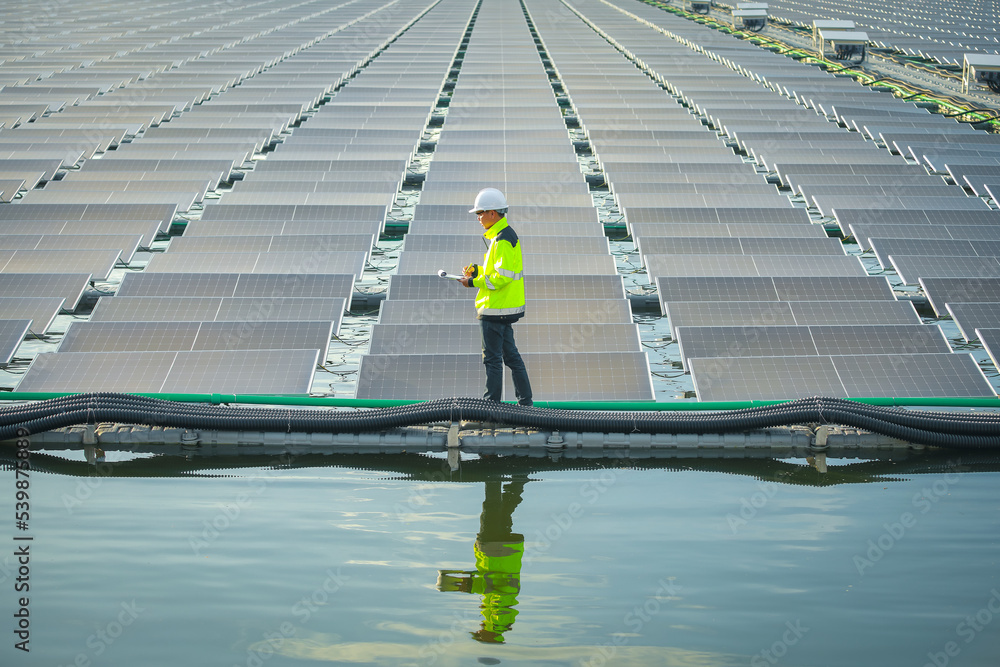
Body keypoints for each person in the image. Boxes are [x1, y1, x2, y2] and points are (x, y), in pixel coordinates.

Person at [459, 188, 533, 406]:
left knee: (492, 360)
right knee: (511, 358)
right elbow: (497, 272)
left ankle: (491, 408)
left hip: (495, 308)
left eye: (480, 213)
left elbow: (500, 279)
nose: (479, 218)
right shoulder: (502, 236)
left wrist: (472, 282)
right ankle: (525, 404)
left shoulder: (501, 240)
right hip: (503, 308)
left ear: (493, 213)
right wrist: (477, 270)